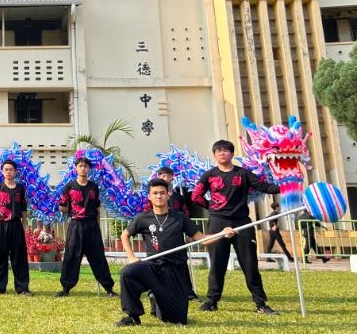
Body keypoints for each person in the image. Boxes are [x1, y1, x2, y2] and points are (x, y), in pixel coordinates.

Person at [114, 178, 237, 327]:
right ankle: (132, 316)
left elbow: (201, 239)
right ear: (149, 196)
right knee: (128, 272)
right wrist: (131, 257)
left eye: (162, 193)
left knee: (178, 320)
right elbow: (124, 235)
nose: (159, 196)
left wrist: (222, 234)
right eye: (155, 193)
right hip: (152, 267)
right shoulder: (143, 218)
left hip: (175, 269)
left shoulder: (179, 218)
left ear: (168, 194)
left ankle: (156, 298)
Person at [191, 139, 280, 315]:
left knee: (250, 264)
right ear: (214, 155)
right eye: (218, 151)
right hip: (217, 223)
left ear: (232, 154)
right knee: (217, 264)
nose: (222, 153)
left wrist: (286, 186)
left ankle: (261, 304)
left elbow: (263, 187)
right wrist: (213, 208)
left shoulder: (244, 174)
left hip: (242, 223)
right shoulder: (209, 175)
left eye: (225, 150)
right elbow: (196, 196)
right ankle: (212, 301)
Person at [54, 157, 116, 298]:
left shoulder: (93, 187)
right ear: (76, 168)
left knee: (98, 257)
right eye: (80, 166)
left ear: (89, 169)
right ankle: (66, 288)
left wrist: (97, 226)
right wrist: (75, 210)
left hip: (92, 226)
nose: (83, 168)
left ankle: (109, 288)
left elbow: (97, 208)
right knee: (71, 256)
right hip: (76, 225)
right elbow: (61, 207)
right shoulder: (69, 186)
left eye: (86, 166)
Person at [148, 167, 197, 300]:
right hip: (158, 234)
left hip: (176, 234)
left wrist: (189, 232)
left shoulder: (178, 197)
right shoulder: (154, 195)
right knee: (156, 263)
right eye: (162, 176)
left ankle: (188, 292)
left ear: (172, 178)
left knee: (181, 263)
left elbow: (185, 213)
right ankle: (155, 289)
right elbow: (147, 212)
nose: (165, 178)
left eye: (167, 176)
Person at [0, 160, 32, 296]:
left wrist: (24, 225)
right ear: (2, 172)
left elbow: (24, 209)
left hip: (16, 225)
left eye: (11, 169)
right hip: (1, 226)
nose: (8, 172)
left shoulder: (20, 189)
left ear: (15, 172)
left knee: (19, 258)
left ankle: (22, 288)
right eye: (6, 169)